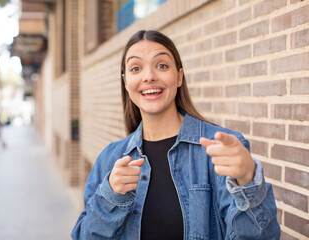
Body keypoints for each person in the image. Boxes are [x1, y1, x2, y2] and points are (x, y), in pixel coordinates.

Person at [71, 30, 280, 239]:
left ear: (179, 76)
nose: (149, 76)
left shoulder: (220, 150)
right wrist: (111, 195)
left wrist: (248, 181)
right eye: (136, 68)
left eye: (161, 65)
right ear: (126, 83)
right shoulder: (110, 158)